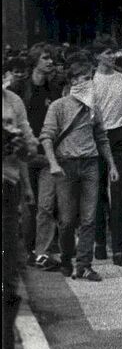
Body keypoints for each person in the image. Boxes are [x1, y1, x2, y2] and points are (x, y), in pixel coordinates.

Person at [40, 61, 117, 282]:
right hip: (66, 164)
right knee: (66, 219)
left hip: (90, 163)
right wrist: (53, 163)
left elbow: (102, 137)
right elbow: (47, 136)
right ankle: (66, 258)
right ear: (73, 82)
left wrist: (111, 164)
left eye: (90, 78)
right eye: (85, 78)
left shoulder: (94, 107)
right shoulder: (59, 106)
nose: (89, 82)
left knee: (90, 217)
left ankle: (84, 265)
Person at [8, 45, 61, 271]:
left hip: (47, 155)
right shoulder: (18, 89)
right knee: (27, 206)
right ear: (35, 62)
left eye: (51, 58)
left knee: (46, 206)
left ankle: (42, 252)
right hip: (24, 156)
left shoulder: (55, 88)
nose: (50, 62)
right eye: (46, 58)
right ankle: (27, 250)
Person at [91, 41, 122, 268]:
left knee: (119, 193)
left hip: (119, 137)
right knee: (97, 193)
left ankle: (119, 248)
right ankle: (100, 242)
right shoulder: (89, 82)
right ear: (97, 56)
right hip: (94, 138)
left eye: (113, 52)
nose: (113, 56)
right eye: (108, 52)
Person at [3, 86, 38, 349]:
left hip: (6, 188)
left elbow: (30, 146)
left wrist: (18, 143)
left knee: (8, 269)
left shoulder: (13, 100)